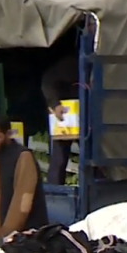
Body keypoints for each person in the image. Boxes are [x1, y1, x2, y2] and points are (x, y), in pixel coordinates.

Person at [0, 115, 49, 242]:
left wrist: (7, 234)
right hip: (1, 237)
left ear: (8, 134)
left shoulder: (23, 157)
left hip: (23, 239)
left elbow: (23, 202)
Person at [42, 55, 80, 185]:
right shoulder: (71, 64)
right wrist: (55, 104)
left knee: (93, 159)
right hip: (66, 116)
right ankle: (55, 195)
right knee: (59, 159)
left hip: (90, 117)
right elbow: (48, 81)